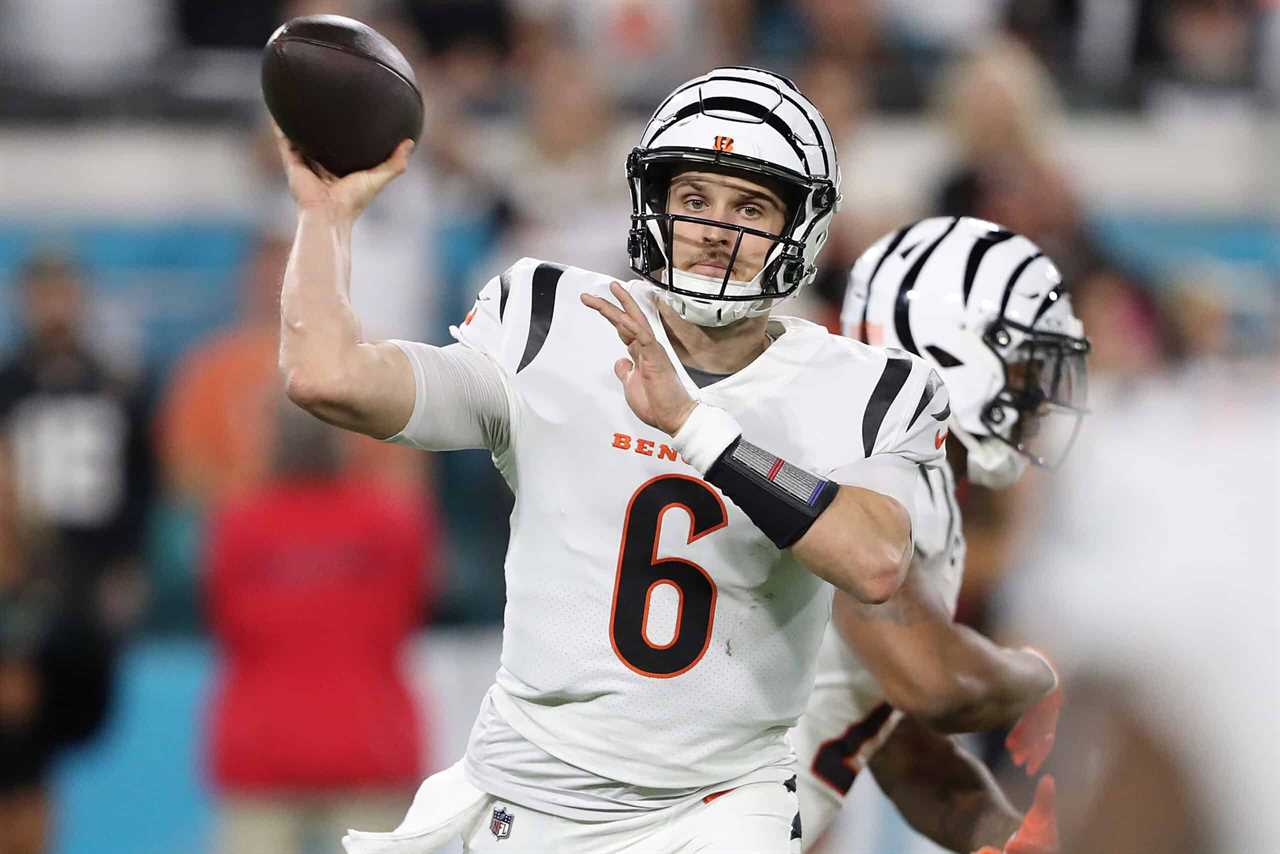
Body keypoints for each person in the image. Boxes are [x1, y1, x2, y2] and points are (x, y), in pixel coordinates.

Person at [275, 67, 949, 853]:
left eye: (751, 207)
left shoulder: (869, 385)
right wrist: (323, 216)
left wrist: (699, 431)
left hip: (722, 804)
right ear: (654, 204)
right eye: (694, 199)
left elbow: (874, 559)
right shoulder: (551, 319)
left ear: (802, 228)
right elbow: (330, 378)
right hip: (532, 792)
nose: (716, 230)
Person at [789, 216, 1090, 852]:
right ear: (951, 354)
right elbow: (937, 684)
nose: (1036, 394)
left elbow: (900, 752)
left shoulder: (905, 473)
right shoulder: (873, 476)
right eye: (1022, 365)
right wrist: (1046, 671)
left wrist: (1014, 840)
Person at [204, 400, 437, 854]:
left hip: (262, 747)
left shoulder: (237, 526)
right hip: (370, 744)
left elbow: (224, 620)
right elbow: (414, 604)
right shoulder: (394, 523)